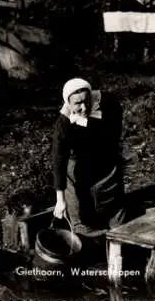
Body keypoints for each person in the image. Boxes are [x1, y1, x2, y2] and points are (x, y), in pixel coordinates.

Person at [52, 78, 125, 235]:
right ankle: (85, 233)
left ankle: (117, 234)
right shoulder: (63, 124)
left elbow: (116, 130)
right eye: (77, 104)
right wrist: (60, 200)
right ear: (68, 104)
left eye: (86, 101)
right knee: (81, 214)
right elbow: (59, 162)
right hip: (77, 165)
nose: (84, 108)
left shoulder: (108, 102)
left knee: (115, 213)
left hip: (104, 158)